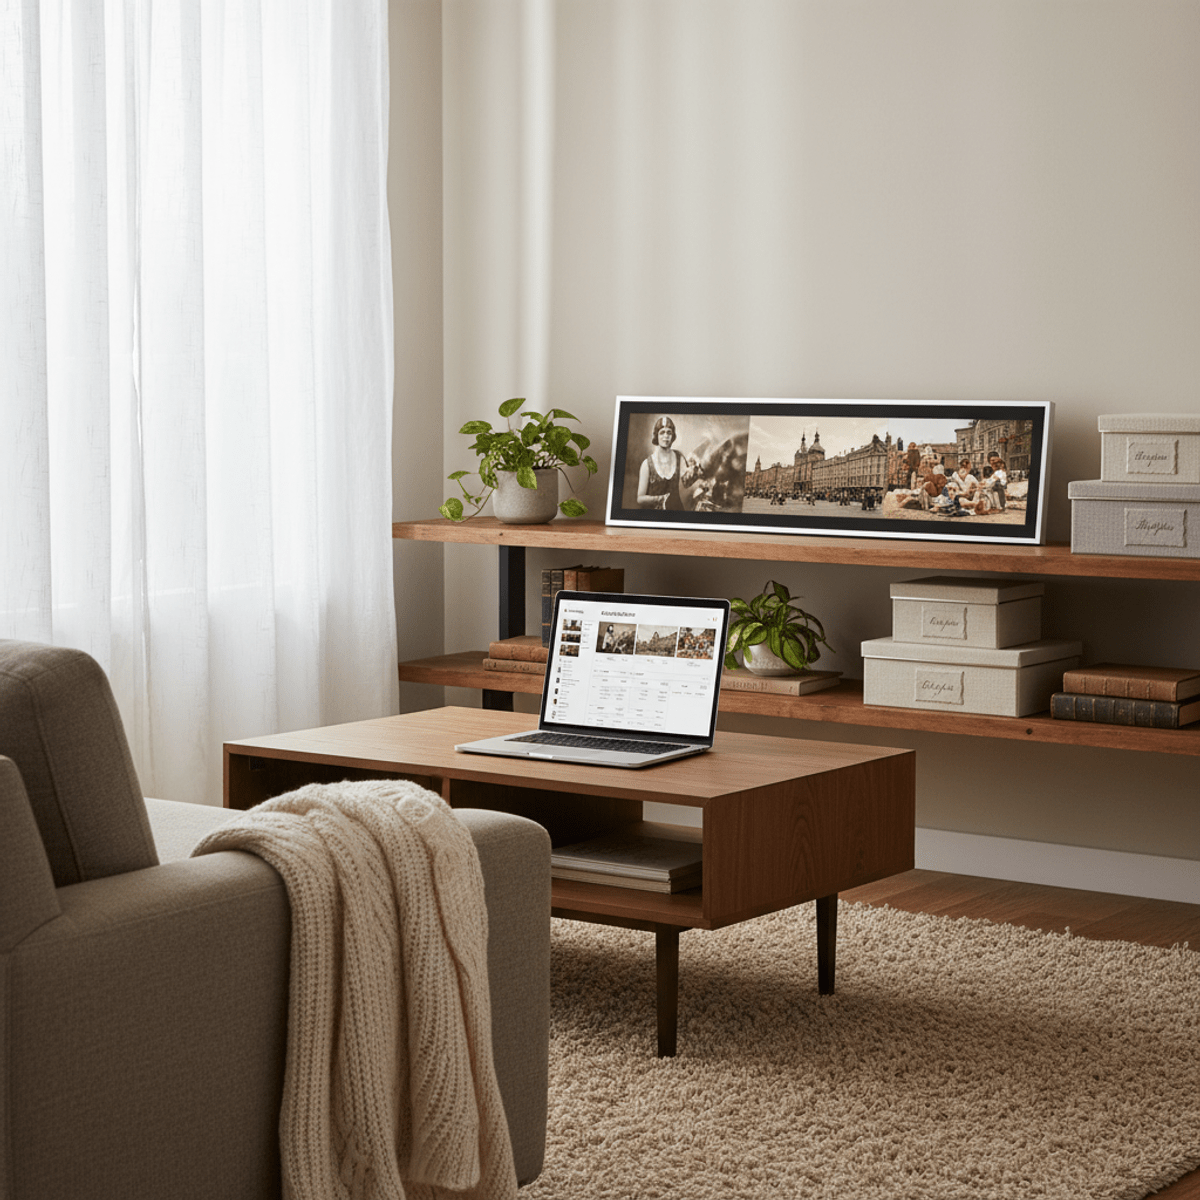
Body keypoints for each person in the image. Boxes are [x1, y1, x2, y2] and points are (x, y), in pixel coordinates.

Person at [637, 417, 691, 510]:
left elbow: (688, 482)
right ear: (656, 436)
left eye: (669, 432)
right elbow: (640, 498)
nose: (666, 436)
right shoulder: (647, 464)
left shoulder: (679, 458)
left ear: (673, 436)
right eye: (662, 432)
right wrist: (659, 499)